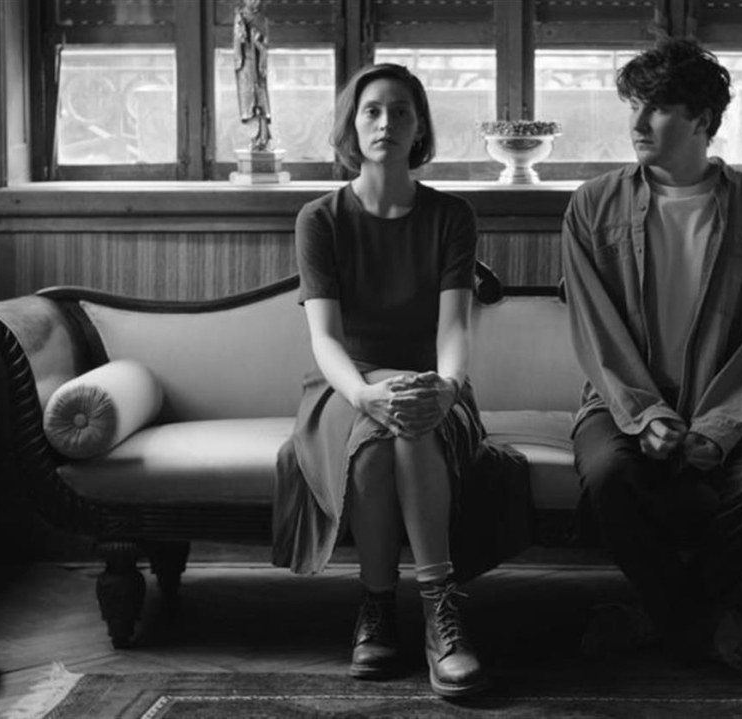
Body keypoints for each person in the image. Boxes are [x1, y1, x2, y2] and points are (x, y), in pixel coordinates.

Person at [562, 38, 742, 675]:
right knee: (610, 479)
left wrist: (718, 426)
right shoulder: (592, 205)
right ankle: (708, 624)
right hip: (617, 403)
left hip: (730, 403)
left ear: (703, 119)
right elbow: (594, 329)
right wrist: (645, 414)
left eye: (659, 108)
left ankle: (654, 617)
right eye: (634, 106)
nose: (638, 123)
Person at [273, 63, 507, 698]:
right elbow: (326, 339)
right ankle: (380, 606)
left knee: (409, 422)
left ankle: (434, 612)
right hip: (344, 387)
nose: (386, 123)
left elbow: (454, 328)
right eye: (372, 110)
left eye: (401, 111)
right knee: (378, 438)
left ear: (420, 126)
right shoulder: (320, 218)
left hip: (435, 385)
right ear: (352, 125)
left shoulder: (451, 215)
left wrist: (448, 387)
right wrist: (363, 394)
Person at [233, 0, 272, 150]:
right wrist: (242, 33)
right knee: (248, 98)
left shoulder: (262, 18)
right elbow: (238, 40)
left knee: (261, 97)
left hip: (258, 64)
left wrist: (259, 45)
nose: (253, 1)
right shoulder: (240, 16)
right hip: (245, 63)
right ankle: (254, 137)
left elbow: (264, 42)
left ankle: (263, 136)